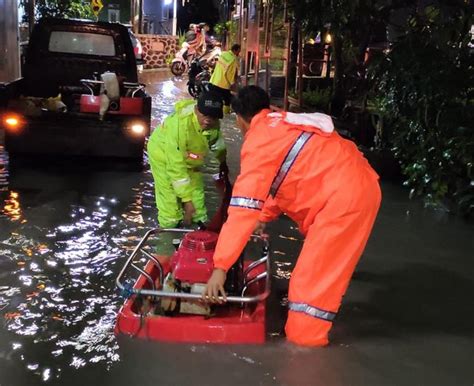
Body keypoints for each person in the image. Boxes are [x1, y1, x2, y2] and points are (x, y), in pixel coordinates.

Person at [203, 86, 381, 347]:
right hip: (352, 189)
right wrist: (263, 216)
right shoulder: (281, 123)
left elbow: (242, 209)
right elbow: (287, 178)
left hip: (342, 202)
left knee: (308, 290)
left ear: (239, 119)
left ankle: (304, 349)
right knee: (318, 276)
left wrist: (220, 268)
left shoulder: (259, 141)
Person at [147, 91, 227, 228]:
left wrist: (223, 163)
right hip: (163, 155)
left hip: (190, 157)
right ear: (196, 110)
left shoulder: (214, 125)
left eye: (213, 117)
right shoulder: (179, 126)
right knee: (170, 205)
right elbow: (175, 167)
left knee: (198, 209)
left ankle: (199, 226)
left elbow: (217, 144)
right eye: (204, 115)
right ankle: (169, 230)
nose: (208, 120)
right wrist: (187, 201)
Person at [208, 43, 241, 115]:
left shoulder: (223, 54)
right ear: (236, 50)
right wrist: (233, 84)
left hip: (213, 81)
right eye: (239, 51)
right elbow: (230, 75)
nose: (239, 53)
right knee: (227, 101)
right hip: (223, 85)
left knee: (214, 100)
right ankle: (225, 115)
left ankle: (212, 113)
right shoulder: (233, 60)